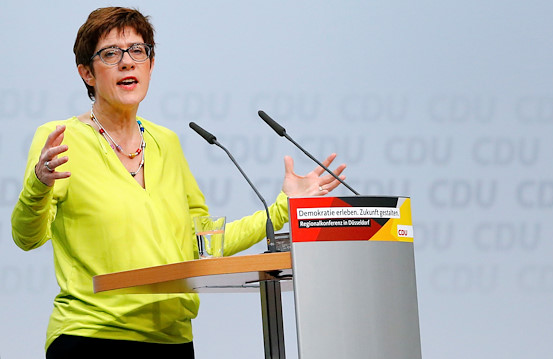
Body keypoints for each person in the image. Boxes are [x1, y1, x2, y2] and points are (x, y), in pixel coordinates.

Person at [10, 7, 346, 359]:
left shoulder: (166, 143)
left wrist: (282, 207)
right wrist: (38, 183)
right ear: (87, 73)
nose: (127, 62)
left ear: (151, 65)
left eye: (138, 51)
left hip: (173, 341)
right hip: (91, 337)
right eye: (111, 54)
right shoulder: (61, 139)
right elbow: (27, 237)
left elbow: (202, 246)